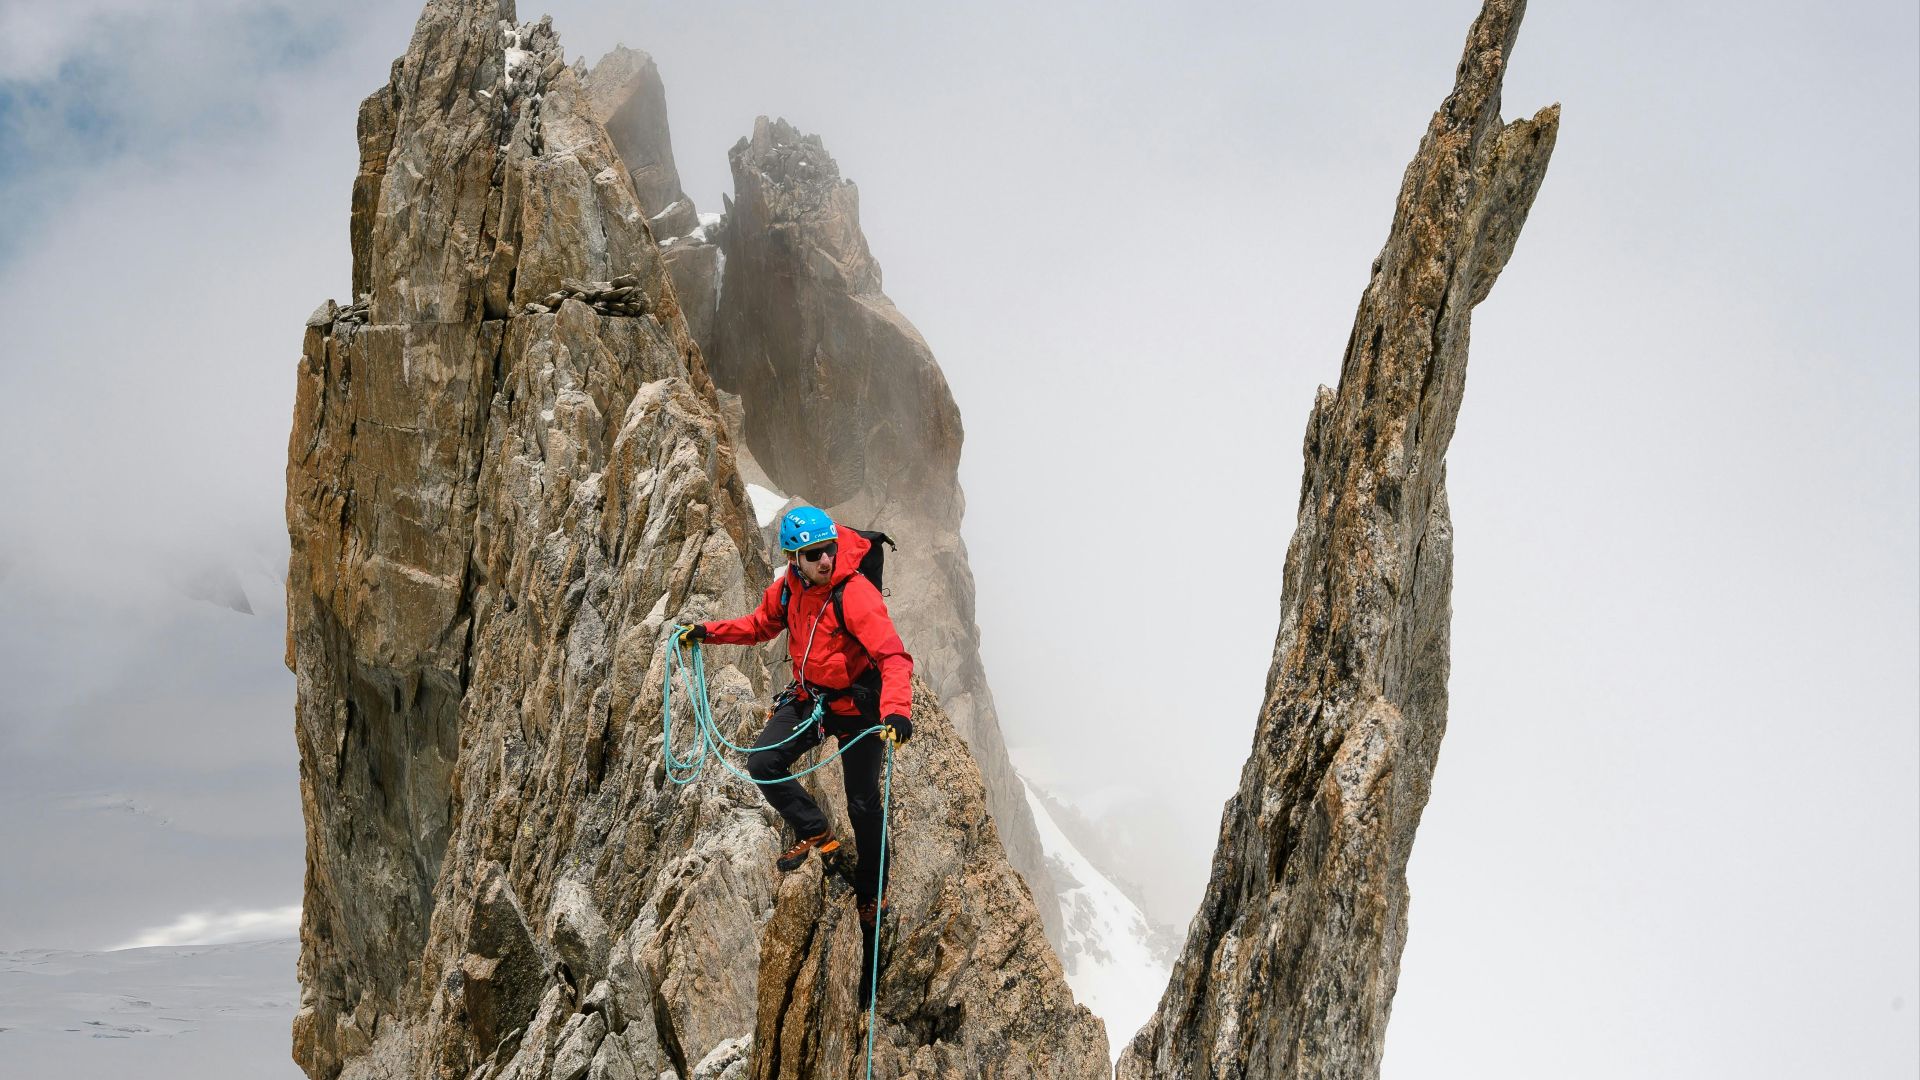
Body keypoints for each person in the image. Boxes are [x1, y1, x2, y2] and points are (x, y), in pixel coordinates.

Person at [680, 505, 913, 930]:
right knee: (762, 762)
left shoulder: (854, 593)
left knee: (863, 804)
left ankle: (871, 891)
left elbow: (893, 656)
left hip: (857, 707)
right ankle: (815, 828)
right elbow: (759, 626)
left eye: (829, 550)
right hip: (811, 698)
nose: (825, 560)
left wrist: (896, 711)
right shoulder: (788, 588)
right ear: (793, 559)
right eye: (813, 554)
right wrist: (708, 632)